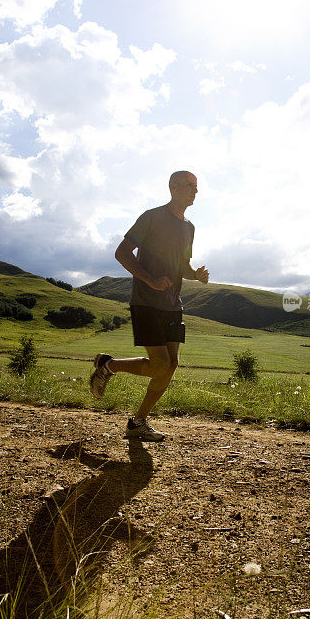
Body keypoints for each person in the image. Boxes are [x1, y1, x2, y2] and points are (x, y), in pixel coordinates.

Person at [89, 170, 209, 442]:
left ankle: (138, 422)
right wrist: (151, 279)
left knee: (171, 364)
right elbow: (122, 252)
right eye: (190, 186)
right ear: (173, 187)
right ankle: (109, 365)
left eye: (196, 187)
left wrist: (195, 275)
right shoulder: (152, 217)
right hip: (146, 301)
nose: (195, 192)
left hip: (172, 304)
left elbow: (182, 266)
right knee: (159, 365)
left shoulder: (189, 227)